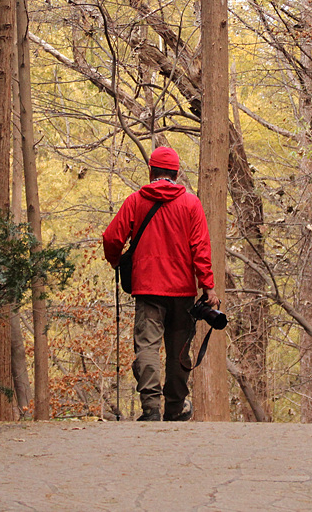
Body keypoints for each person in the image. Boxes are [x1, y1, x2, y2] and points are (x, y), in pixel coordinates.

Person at [102, 146, 218, 422]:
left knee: (147, 346)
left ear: (151, 171)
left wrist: (116, 261)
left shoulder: (135, 201)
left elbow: (111, 238)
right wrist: (208, 286)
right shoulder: (191, 204)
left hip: (147, 289)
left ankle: (151, 408)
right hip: (182, 291)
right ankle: (175, 408)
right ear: (176, 173)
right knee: (179, 350)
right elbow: (201, 248)